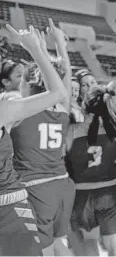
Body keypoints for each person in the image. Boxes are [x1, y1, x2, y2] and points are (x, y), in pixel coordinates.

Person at [0, 24, 68, 256]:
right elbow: (60, 91)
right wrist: (38, 50)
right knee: (57, 245)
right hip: (49, 187)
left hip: (33, 188)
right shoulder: (8, 109)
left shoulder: (9, 107)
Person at [65, 78, 116, 256]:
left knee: (89, 246)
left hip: (80, 194)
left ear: (86, 104)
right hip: (108, 192)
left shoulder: (72, 130)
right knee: (115, 245)